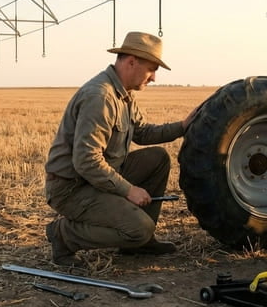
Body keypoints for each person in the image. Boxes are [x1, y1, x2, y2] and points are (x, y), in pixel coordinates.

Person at [43, 31, 196, 267]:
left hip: (96, 179)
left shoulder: (124, 94)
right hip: (72, 188)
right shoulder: (100, 97)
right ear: (132, 62)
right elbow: (86, 161)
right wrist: (128, 190)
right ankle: (63, 235)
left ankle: (138, 245)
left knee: (157, 158)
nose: (154, 77)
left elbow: (142, 132)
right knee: (139, 228)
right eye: (151, 69)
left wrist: (182, 127)